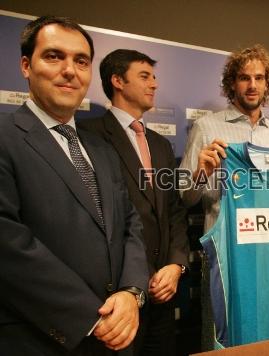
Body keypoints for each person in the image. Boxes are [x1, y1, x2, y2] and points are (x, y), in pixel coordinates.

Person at [0, 16, 148, 355]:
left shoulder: (102, 149)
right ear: (26, 65)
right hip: (41, 338)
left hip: (119, 335)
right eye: (54, 56)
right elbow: (8, 244)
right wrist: (90, 317)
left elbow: (130, 225)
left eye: (81, 61)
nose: (70, 70)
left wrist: (130, 292)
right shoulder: (6, 139)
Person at [179, 44, 269, 350]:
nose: (252, 85)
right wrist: (202, 171)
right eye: (244, 78)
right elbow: (185, 198)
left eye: (259, 78)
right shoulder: (206, 127)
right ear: (231, 83)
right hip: (225, 259)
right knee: (224, 340)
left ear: (267, 84)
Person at [79, 49, 189, 355]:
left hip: (164, 298)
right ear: (117, 81)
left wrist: (176, 264)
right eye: (144, 76)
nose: (153, 84)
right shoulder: (88, 136)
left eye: (154, 77)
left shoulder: (161, 144)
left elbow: (174, 211)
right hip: (116, 299)